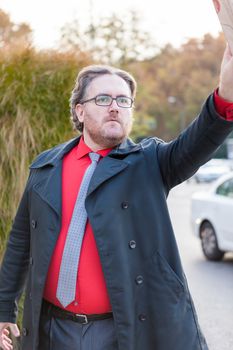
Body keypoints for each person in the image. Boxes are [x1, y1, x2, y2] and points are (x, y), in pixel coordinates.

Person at [1, 46, 233, 350]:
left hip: (121, 332)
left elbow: (198, 140)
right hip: (51, 330)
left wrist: (226, 94)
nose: (115, 107)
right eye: (103, 99)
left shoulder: (150, 162)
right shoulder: (46, 166)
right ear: (80, 111)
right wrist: (4, 308)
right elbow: (20, 242)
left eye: (123, 101)